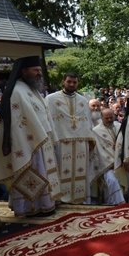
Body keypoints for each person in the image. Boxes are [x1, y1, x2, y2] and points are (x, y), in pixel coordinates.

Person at [0, 56, 60, 217]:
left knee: (43, 172)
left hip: (41, 141)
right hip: (29, 143)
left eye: (39, 70)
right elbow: (17, 122)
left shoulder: (33, 90)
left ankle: (45, 202)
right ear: (24, 71)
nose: (39, 74)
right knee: (36, 172)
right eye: (35, 70)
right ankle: (29, 207)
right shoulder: (17, 91)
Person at [45, 73, 97, 204]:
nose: (72, 84)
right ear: (63, 82)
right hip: (61, 142)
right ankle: (60, 199)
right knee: (61, 171)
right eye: (69, 82)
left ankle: (81, 199)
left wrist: (91, 140)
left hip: (81, 142)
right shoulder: (51, 99)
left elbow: (87, 122)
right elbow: (48, 121)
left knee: (81, 171)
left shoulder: (83, 100)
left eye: (74, 82)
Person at [91, 108, 125, 205]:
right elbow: (98, 152)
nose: (110, 120)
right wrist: (111, 164)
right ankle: (119, 204)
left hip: (122, 163)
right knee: (112, 180)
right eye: (107, 118)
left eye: (111, 117)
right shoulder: (96, 131)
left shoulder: (120, 126)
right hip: (106, 166)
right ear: (101, 118)